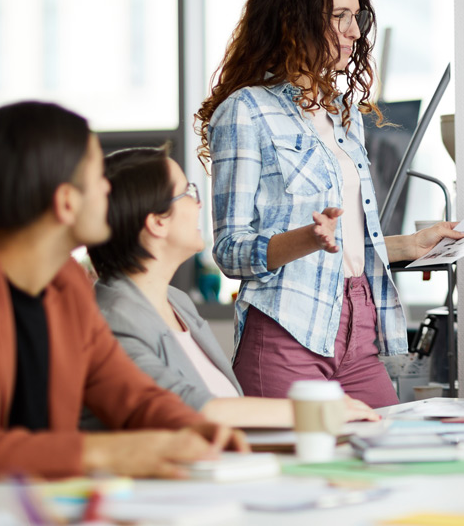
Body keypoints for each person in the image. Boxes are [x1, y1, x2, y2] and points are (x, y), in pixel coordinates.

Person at [0, 102, 246, 487]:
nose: (109, 190)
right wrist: (101, 453)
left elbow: (129, 393)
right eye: (98, 178)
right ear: (65, 202)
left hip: (55, 508)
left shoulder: (67, 288)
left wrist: (196, 429)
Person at [195, 0, 461, 408]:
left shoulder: (344, 117)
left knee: (385, 457)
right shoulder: (245, 111)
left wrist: (408, 246)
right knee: (300, 476)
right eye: (340, 16)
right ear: (293, 19)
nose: (354, 32)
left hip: (359, 327)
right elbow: (230, 251)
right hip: (286, 329)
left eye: (356, 17)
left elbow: (345, 242)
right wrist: (305, 239)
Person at [86, 147, 380, 428]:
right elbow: (182, 406)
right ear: (157, 223)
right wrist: (315, 411)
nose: (199, 202)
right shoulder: (111, 321)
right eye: (188, 193)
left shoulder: (176, 302)